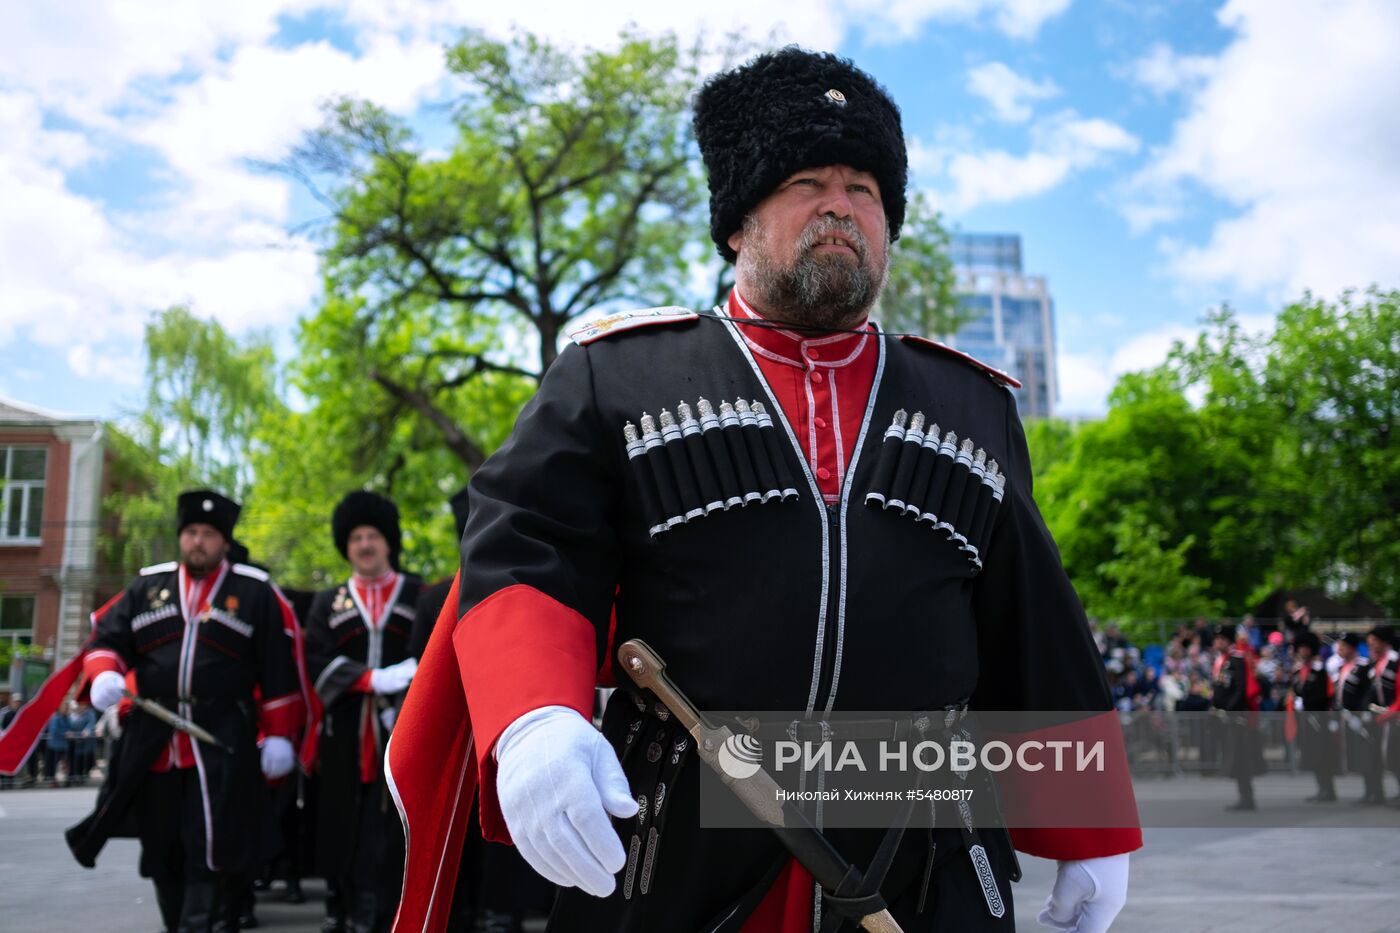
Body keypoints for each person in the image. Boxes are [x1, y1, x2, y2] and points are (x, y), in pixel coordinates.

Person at [388, 47, 1141, 933]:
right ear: (739, 222)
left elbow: (1032, 620)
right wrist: (533, 717)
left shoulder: (970, 402)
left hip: (925, 849)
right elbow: (525, 550)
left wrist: (1090, 819)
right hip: (680, 843)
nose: (840, 206)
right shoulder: (615, 377)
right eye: (807, 181)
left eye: (865, 188)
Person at [64, 489, 306, 933]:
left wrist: (278, 735)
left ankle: (198, 924)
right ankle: (177, 923)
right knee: (161, 850)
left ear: (225, 543)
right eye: (191, 532)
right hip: (153, 743)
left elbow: (277, 668)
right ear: (181, 537)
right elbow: (107, 643)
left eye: (209, 534)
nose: (198, 542)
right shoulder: (146, 588)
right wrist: (103, 674)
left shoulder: (252, 593)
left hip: (220, 743)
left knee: (210, 847)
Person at [305, 491, 421, 933]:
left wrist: (405, 692)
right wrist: (371, 681)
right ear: (345, 545)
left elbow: (431, 655)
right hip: (346, 731)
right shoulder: (327, 602)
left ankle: (394, 907)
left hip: (404, 727)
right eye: (356, 537)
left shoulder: (416, 594)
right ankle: (342, 904)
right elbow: (316, 659)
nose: (365, 545)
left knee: (393, 822)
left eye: (373, 535)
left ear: (389, 542)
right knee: (340, 818)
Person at [1212, 625, 1263, 810]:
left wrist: (1230, 709)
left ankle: (1247, 797)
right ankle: (1243, 795)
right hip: (1226, 715)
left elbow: (1241, 688)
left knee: (1241, 757)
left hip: (1237, 716)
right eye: (1216, 639)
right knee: (1235, 756)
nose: (1218, 642)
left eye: (1222, 639)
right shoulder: (1222, 661)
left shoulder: (1236, 660)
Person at [1333, 634, 1382, 805]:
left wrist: (1363, 713)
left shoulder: (1362, 666)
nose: (1340, 649)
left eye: (1343, 646)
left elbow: (1367, 692)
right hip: (1347, 717)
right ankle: (1368, 790)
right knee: (1360, 755)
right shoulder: (1341, 668)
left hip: (1361, 717)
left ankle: (1377, 791)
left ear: (1351, 648)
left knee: (1370, 754)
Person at [1289, 631, 1337, 802]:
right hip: (1305, 718)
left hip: (1318, 717)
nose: (1303, 651)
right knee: (1313, 754)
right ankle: (1321, 787)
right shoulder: (1299, 670)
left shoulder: (1319, 670)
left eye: (1305, 648)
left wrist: (1306, 702)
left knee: (1323, 754)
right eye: (1301, 648)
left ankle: (1328, 789)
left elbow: (1324, 695)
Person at [1367, 625, 1400, 804]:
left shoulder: (1396, 662)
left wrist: (1391, 712)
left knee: (1395, 757)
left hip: (1394, 717)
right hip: (1381, 717)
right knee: (1380, 756)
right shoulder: (1376, 663)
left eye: (1374, 642)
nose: (1370, 645)